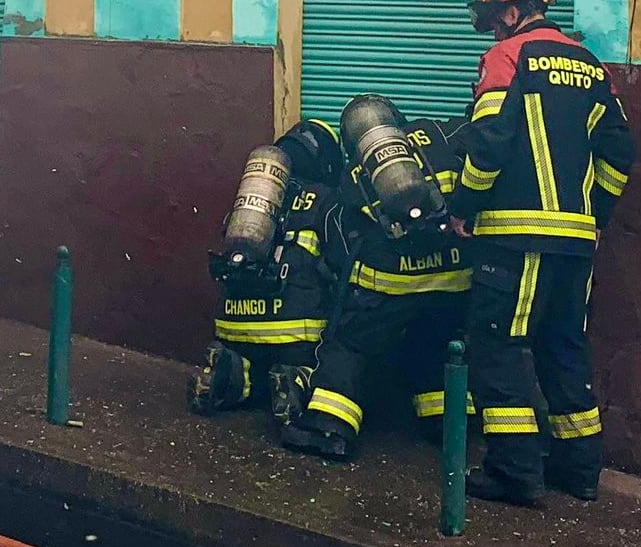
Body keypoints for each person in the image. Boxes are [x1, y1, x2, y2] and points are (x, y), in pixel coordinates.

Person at [452, 0, 634, 507]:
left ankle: (514, 473)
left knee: (497, 346)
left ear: (512, 10)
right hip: (577, 241)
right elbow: (620, 152)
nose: (492, 31)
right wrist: (595, 212)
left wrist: (465, 206)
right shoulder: (590, 65)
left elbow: (488, 146)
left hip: (515, 237)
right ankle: (578, 471)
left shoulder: (507, 59)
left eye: (493, 19)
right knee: (563, 346)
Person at [281, 106, 470, 461]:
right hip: (454, 280)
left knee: (349, 344)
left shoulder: (358, 170)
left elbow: (340, 233)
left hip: (389, 285)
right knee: (433, 343)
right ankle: (448, 422)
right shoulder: (436, 137)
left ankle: (328, 426)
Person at [189, 118, 346, 422]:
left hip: (233, 327)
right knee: (330, 368)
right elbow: (342, 263)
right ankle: (297, 380)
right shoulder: (325, 201)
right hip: (295, 333)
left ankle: (228, 371)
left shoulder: (253, 202)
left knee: (250, 371)